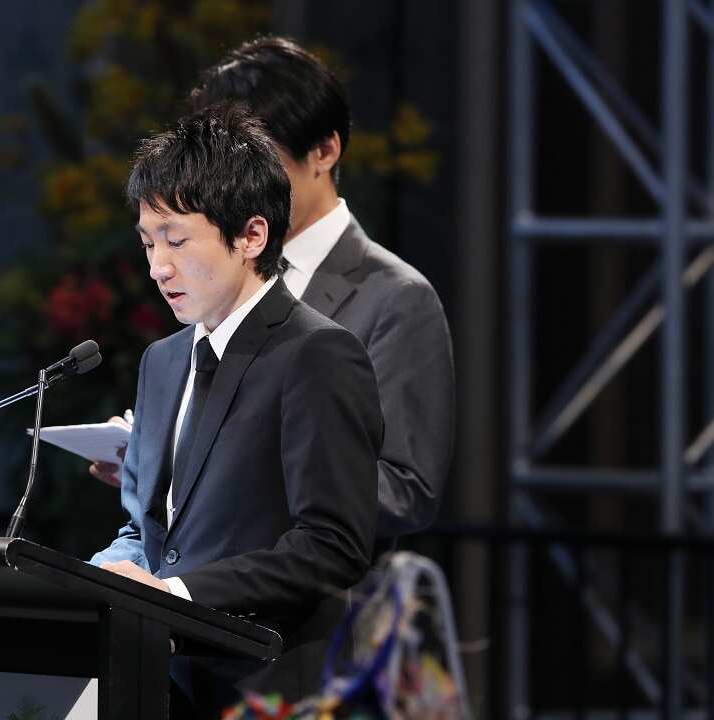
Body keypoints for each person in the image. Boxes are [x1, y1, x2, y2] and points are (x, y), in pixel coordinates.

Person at [91, 36, 454, 549]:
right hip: (190, 592)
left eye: (258, 152)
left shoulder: (395, 297)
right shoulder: (207, 271)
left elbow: (407, 489)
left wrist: (233, 475)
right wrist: (163, 462)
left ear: (324, 151)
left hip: (318, 602)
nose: (237, 173)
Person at [90, 105, 382, 713]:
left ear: (251, 236)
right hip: (155, 684)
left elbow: (332, 545)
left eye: (175, 239)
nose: (157, 267)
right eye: (147, 242)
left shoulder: (317, 353)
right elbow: (147, 533)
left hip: (269, 688)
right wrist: (98, 576)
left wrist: (173, 592)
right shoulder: (162, 361)